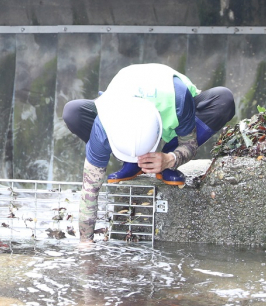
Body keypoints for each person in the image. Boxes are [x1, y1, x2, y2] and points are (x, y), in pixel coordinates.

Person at [62, 64, 236, 241]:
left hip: (172, 98)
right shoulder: (104, 123)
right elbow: (90, 189)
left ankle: (162, 163)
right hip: (122, 101)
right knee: (73, 112)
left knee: (224, 99)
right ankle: (132, 162)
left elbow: (189, 144)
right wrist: (85, 244)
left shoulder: (179, 99)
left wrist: (170, 159)